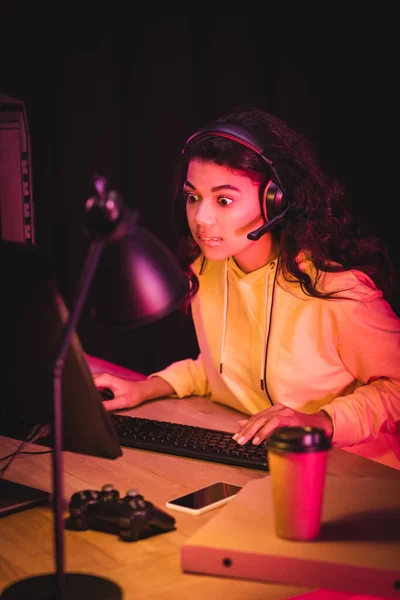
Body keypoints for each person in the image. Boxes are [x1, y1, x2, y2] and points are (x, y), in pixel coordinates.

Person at [92, 105, 400, 469]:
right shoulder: (208, 269)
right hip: (266, 465)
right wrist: (147, 387)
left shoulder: (340, 295)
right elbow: (220, 369)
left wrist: (323, 421)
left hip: (355, 475)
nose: (202, 219)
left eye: (224, 200)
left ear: (275, 202)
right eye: (194, 197)